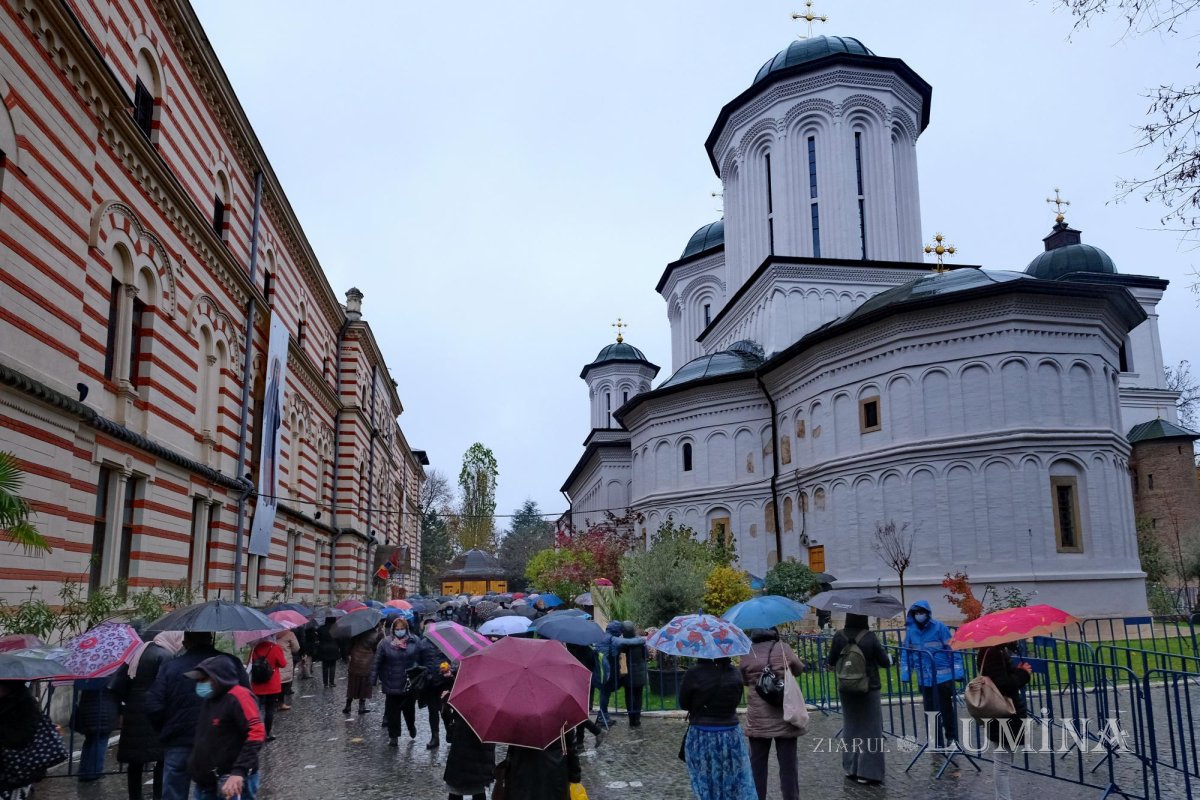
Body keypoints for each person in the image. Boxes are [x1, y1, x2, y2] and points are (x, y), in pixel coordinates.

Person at [146, 631, 250, 800]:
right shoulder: (230, 664)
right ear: (210, 639)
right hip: (220, 743)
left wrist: (167, 730)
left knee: (174, 790)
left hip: (179, 740)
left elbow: (153, 705)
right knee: (214, 791)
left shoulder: (170, 667)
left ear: (185, 642)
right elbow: (246, 701)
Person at [109, 631, 184, 800]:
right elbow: (167, 686)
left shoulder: (139, 652)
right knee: (161, 759)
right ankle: (159, 795)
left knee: (135, 761)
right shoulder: (165, 656)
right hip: (154, 713)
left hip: (133, 712)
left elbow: (120, 683)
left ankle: (134, 796)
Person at [183, 656, 265, 800]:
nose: (199, 684)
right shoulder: (211, 699)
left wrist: (239, 771)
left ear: (219, 678)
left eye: (204, 679)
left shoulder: (240, 696)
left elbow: (256, 733)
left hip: (231, 782)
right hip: (207, 781)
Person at [739, 628, 806, 800]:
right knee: (788, 765)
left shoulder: (747, 652)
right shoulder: (783, 648)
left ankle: (757, 797)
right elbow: (798, 669)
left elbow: (744, 680)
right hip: (785, 715)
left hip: (758, 719)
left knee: (757, 765)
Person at [826, 614, 893, 786]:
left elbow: (831, 660)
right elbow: (884, 662)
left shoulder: (838, 636)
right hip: (869, 688)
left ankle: (851, 768)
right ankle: (867, 772)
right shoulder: (869, 637)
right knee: (871, 730)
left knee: (851, 727)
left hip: (846, 688)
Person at [678, 657, 757, 800]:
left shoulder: (693, 673)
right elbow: (736, 700)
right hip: (731, 733)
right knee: (733, 778)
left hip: (702, 734)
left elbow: (684, 703)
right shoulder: (735, 673)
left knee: (705, 779)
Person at [900, 600, 963, 752]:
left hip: (943, 678)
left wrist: (958, 673)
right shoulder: (911, 631)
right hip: (925, 679)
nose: (919, 615)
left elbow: (952, 649)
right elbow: (906, 655)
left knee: (946, 709)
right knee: (930, 710)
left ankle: (952, 738)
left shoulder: (939, 627)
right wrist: (905, 675)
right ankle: (936, 742)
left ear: (927, 613)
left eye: (922, 612)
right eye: (916, 612)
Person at [979, 641, 1031, 800]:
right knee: (1002, 765)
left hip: (1002, 714)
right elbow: (1003, 684)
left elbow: (1000, 676)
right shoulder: (993, 652)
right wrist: (1023, 673)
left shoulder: (995, 651)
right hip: (1004, 714)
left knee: (1003, 763)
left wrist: (1018, 670)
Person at [0, 679, 66, 799]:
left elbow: (18, 737)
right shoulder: (6, 702)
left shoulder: (24, 705)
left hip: (16, 769)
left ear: (9, 686)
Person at [369, 618, 428, 745]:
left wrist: (417, 671)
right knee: (392, 712)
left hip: (408, 683)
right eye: (397, 629)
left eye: (402, 629)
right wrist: (372, 679)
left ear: (406, 629)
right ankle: (394, 736)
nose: (400, 631)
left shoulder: (414, 641)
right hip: (391, 683)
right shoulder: (385, 643)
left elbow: (421, 659)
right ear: (393, 630)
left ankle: (411, 726)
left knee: (409, 710)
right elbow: (377, 662)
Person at [440, 666, 495, 800]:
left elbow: (450, 728)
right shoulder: (495, 697)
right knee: (479, 789)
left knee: (456, 791)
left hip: (462, 749)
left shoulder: (465, 696)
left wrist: (447, 701)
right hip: (483, 752)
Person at [501, 737, 581, 800]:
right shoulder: (562, 718)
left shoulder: (518, 718)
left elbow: (512, 751)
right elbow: (571, 748)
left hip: (522, 778)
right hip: (555, 777)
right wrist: (575, 775)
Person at [73, 676, 119, 781]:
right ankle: (95, 771)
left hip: (86, 710)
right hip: (105, 711)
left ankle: (84, 771)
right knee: (100, 741)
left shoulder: (86, 675)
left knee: (90, 741)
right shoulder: (110, 675)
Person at [248, 636, 286, 742]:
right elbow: (283, 664)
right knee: (270, 709)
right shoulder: (275, 648)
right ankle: (267, 733)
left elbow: (250, 663)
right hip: (272, 685)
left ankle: (257, 732)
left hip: (257, 684)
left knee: (257, 709)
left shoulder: (255, 649)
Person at [343, 626, 379, 716]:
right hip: (367, 661)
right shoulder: (375, 635)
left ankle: (348, 705)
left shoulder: (356, 632)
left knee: (352, 683)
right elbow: (376, 649)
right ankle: (361, 707)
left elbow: (349, 646)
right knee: (364, 684)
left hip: (355, 660)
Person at [618, 620, 648, 727]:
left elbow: (620, 659)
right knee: (638, 696)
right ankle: (637, 719)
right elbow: (646, 656)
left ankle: (632, 719)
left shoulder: (621, 644)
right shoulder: (641, 643)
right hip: (640, 674)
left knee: (629, 696)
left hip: (628, 675)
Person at [595, 620, 624, 726]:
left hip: (600, 670)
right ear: (617, 631)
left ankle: (602, 716)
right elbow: (615, 653)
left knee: (604, 693)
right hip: (610, 670)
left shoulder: (600, 638)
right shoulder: (613, 639)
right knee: (605, 693)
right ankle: (602, 717)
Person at [273, 629, 301, 710]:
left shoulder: (270, 634)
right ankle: (281, 703)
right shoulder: (289, 634)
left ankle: (274, 700)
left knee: (275, 680)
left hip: (273, 659)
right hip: (285, 659)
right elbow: (296, 648)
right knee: (283, 682)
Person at [316, 616, 340, 688]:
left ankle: (325, 683)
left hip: (323, 649)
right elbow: (339, 639)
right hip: (334, 648)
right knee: (333, 666)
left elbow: (319, 638)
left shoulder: (320, 629)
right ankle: (331, 682)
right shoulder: (336, 629)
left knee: (325, 666)